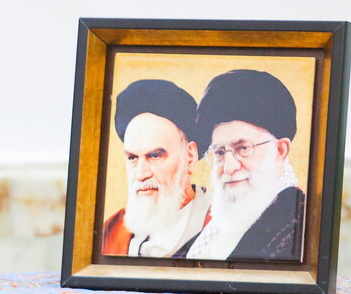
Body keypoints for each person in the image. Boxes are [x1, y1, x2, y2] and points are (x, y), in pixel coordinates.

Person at [185, 69, 305, 262]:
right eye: (220, 152)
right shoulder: (211, 229)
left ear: (280, 150)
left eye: (243, 148)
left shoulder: (299, 228)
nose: (229, 167)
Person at [102, 79, 211, 257]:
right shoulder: (111, 233)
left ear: (190, 157)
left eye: (155, 156)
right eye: (132, 158)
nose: (141, 174)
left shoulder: (223, 226)